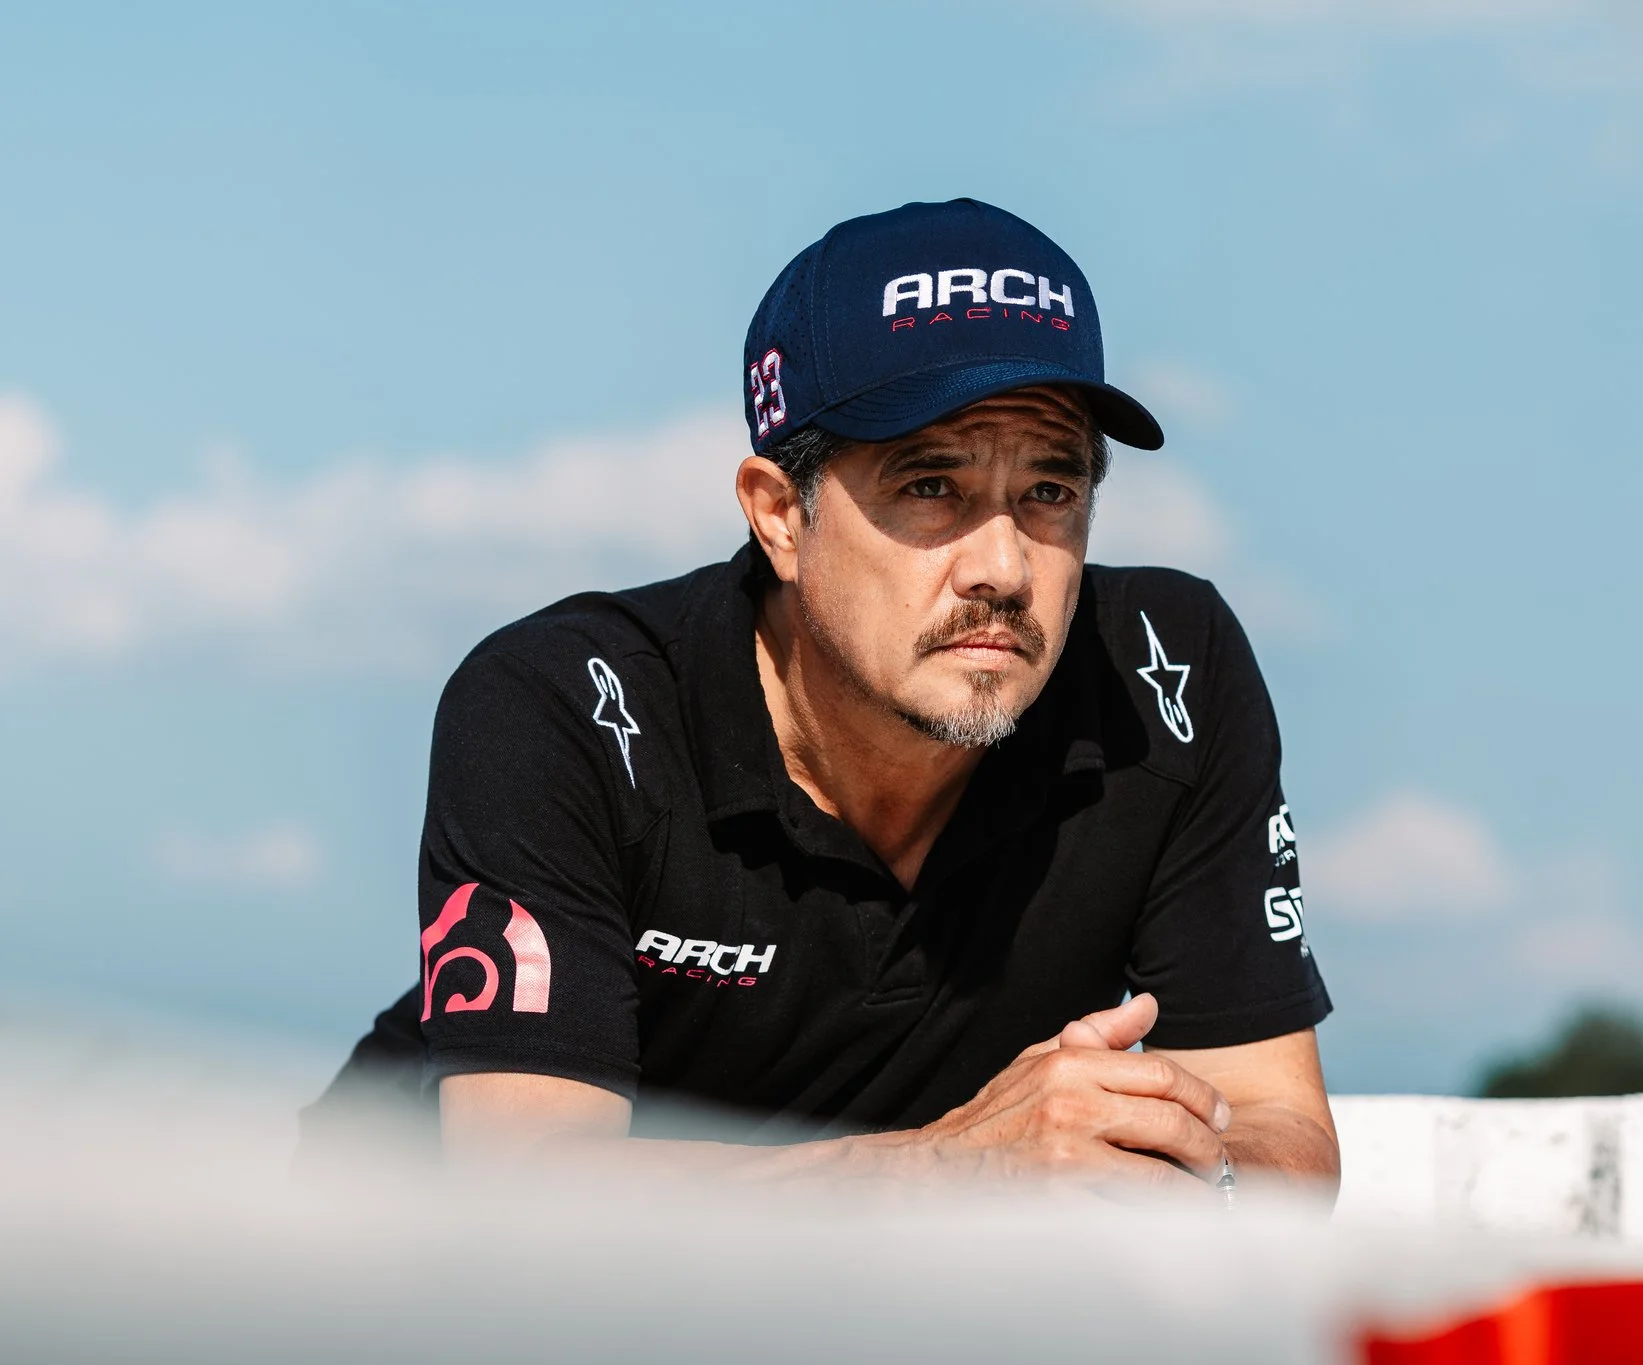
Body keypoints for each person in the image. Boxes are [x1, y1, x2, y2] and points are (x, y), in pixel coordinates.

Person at [306, 199, 1336, 1197]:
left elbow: (1277, 1123)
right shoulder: (563, 704)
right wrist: (958, 1167)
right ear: (778, 516)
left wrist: (1188, 1176)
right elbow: (526, 1196)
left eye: (1049, 491)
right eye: (930, 485)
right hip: (369, 1302)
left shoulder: (1165, 674)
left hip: (857, 1333)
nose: (1004, 565)